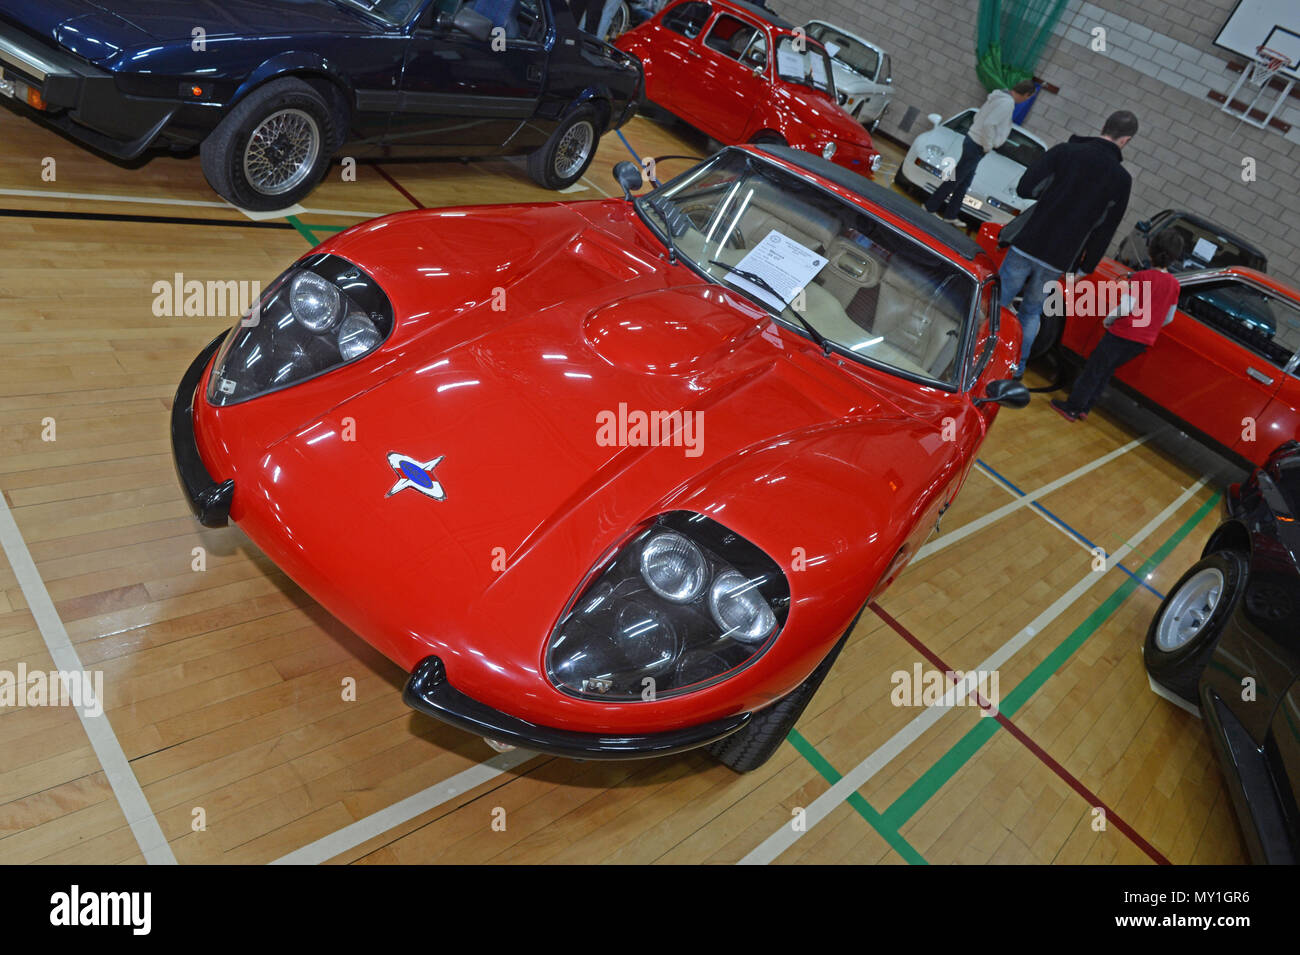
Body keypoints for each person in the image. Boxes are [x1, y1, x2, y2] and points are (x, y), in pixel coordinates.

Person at [998, 109, 1137, 376]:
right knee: (1031, 313)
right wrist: (1087, 266)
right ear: (1126, 140)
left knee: (999, 301)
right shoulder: (1121, 180)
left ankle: (978, 351)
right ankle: (1016, 367)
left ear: (1104, 126)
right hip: (1060, 257)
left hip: (1029, 241)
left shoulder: (1066, 152)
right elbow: (1107, 228)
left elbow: (1026, 188)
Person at [1050, 229, 1185, 422]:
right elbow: (1168, 318)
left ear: (1151, 251)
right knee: (1106, 372)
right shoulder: (1174, 285)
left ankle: (1072, 407)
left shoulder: (1141, 277)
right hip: (1143, 342)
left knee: (1094, 370)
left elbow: (1126, 307)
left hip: (1123, 334)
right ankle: (1085, 408)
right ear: (1174, 257)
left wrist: (1109, 320)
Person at [924, 80, 1037, 224]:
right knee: (956, 179)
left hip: (973, 140)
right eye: (1028, 97)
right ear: (1026, 94)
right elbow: (989, 124)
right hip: (977, 144)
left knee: (964, 182)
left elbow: (978, 117)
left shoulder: (999, 96)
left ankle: (950, 215)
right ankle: (929, 206)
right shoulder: (1007, 103)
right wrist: (988, 145)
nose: (1026, 100)